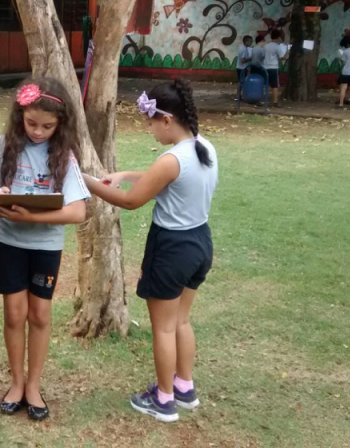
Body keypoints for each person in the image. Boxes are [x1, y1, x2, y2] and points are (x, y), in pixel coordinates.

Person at [83, 79, 218, 423]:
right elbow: (164, 178)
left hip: (171, 249)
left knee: (164, 328)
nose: (149, 129)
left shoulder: (171, 159)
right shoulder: (203, 147)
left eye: (150, 123)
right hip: (200, 243)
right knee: (181, 320)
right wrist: (126, 173)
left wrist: (88, 183)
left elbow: (131, 201)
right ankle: (184, 387)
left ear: (167, 120)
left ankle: (163, 399)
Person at [0, 78, 90, 421]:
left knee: (40, 315)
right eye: (31, 123)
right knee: (14, 314)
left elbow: (77, 212)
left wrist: (32, 216)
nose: (37, 131)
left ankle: (33, 385)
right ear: (20, 115)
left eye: (47, 126)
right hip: (10, 242)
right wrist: (0, 195)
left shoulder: (64, 155)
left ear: (61, 124)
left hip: (46, 246)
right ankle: (16, 383)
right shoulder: (5, 144)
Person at [263, 30, 289, 107]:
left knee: (265, 84)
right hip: (273, 68)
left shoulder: (266, 46)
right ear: (278, 37)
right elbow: (282, 57)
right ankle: (275, 102)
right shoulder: (277, 47)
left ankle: (263, 100)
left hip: (265, 67)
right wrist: (288, 52)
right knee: (275, 86)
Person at [235, 35, 254, 100]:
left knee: (241, 82)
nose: (251, 43)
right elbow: (242, 60)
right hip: (242, 68)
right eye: (250, 41)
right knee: (241, 82)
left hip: (240, 67)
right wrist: (250, 59)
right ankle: (239, 95)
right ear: (246, 41)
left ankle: (239, 95)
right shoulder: (243, 49)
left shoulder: (242, 47)